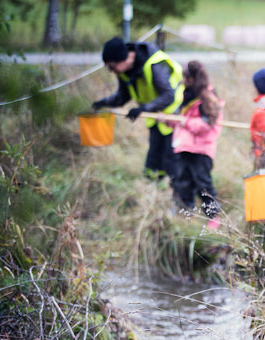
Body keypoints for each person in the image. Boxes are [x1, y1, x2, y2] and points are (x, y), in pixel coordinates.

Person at [92, 37, 184, 182]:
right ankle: (153, 187)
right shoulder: (125, 71)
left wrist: (144, 109)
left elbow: (169, 95)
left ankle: (179, 195)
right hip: (156, 117)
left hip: (175, 115)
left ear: (125, 58)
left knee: (171, 158)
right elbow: (122, 97)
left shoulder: (154, 64)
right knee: (154, 156)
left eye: (112, 67)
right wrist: (103, 103)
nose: (112, 71)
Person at [171, 61, 223, 229]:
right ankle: (186, 216)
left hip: (201, 149)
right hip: (184, 147)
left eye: (185, 77)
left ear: (191, 78)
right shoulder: (187, 95)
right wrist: (170, 120)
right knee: (182, 183)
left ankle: (213, 218)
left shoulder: (208, 98)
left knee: (203, 184)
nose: (183, 80)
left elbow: (206, 125)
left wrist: (184, 122)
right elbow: (181, 119)